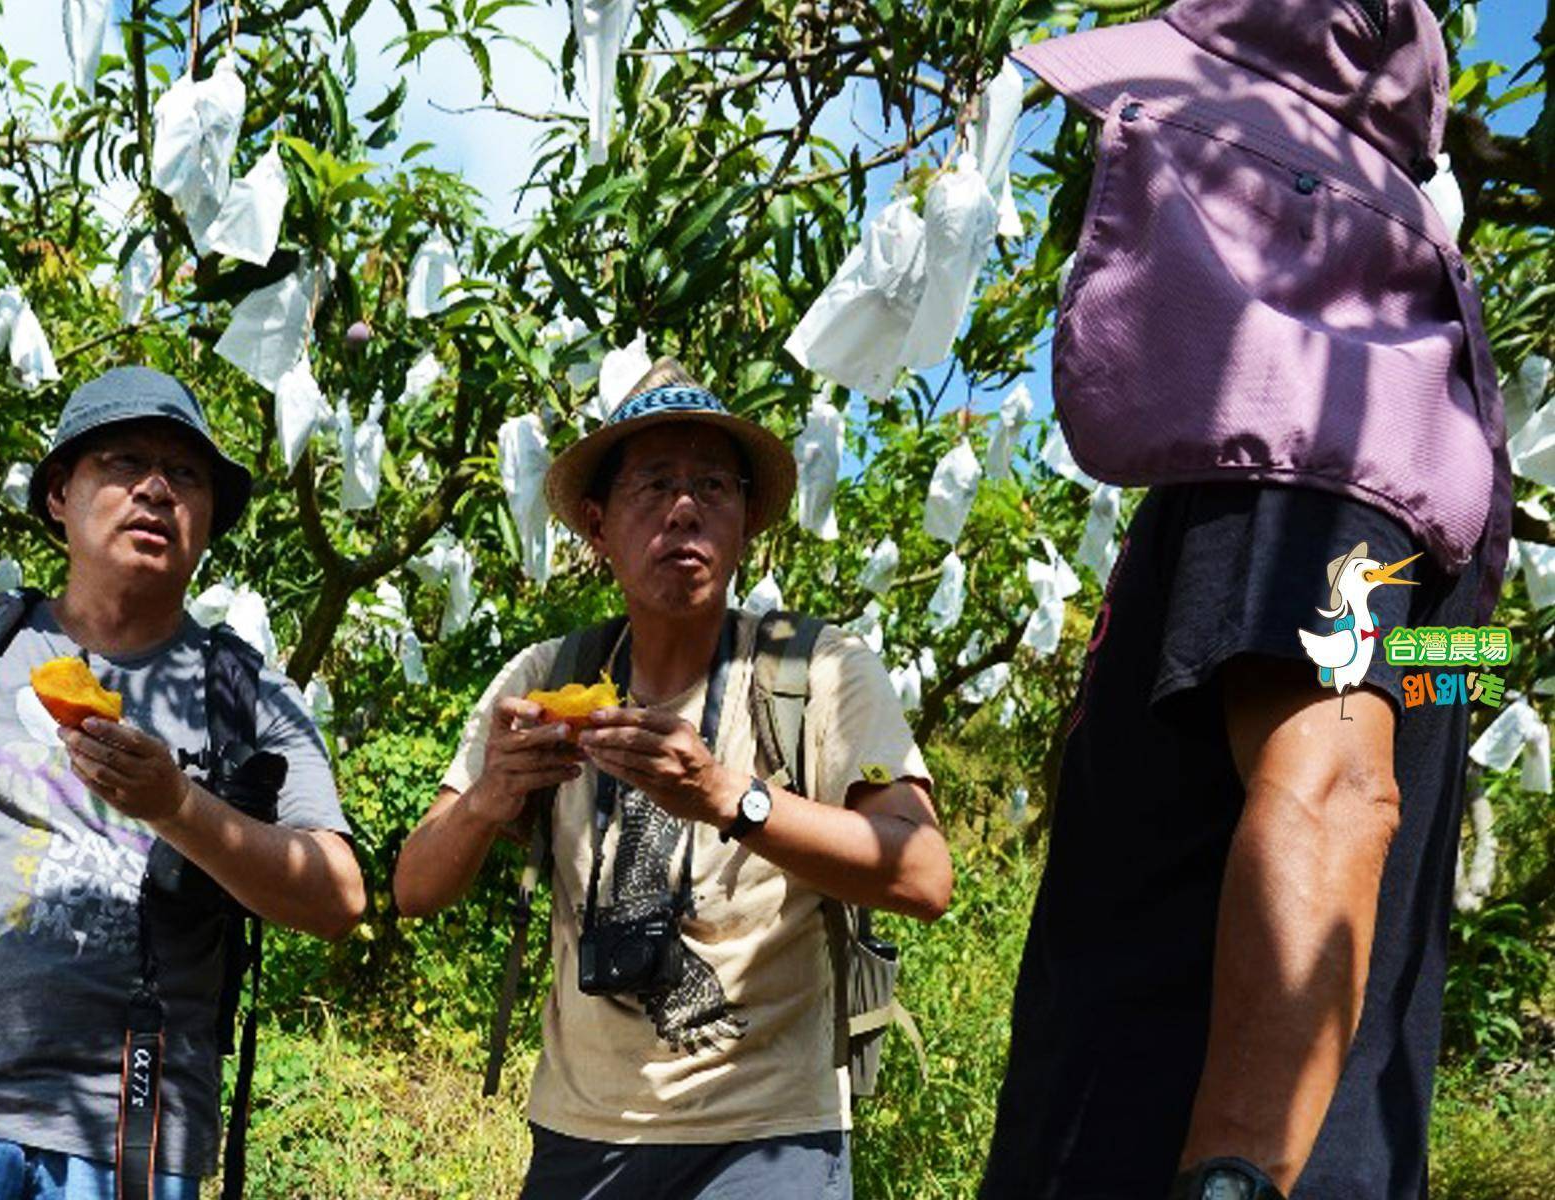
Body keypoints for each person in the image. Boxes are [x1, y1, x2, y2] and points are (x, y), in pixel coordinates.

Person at [981, 2, 1511, 1198]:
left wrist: (1232, 1177)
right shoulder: (1408, 466)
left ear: (1262, 187)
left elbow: (1336, 795)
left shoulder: (1306, 450)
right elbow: (1414, 728)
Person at [0, 366, 367, 1200]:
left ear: (208, 518)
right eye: (124, 462)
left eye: (187, 476)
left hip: (133, 1127)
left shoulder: (247, 695)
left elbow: (338, 896)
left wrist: (177, 805)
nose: (157, 490)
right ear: (60, 495)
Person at [394, 358, 952, 1199]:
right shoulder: (548, 677)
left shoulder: (821, 672)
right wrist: (488, 800)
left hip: (769, 1141)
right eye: (652, 487)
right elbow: (412, 887)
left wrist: (731, 797)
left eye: (711, 488)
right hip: (584, 1136)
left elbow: (922, 873)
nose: (684, 510)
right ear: (597, 525)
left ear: (747, 522)